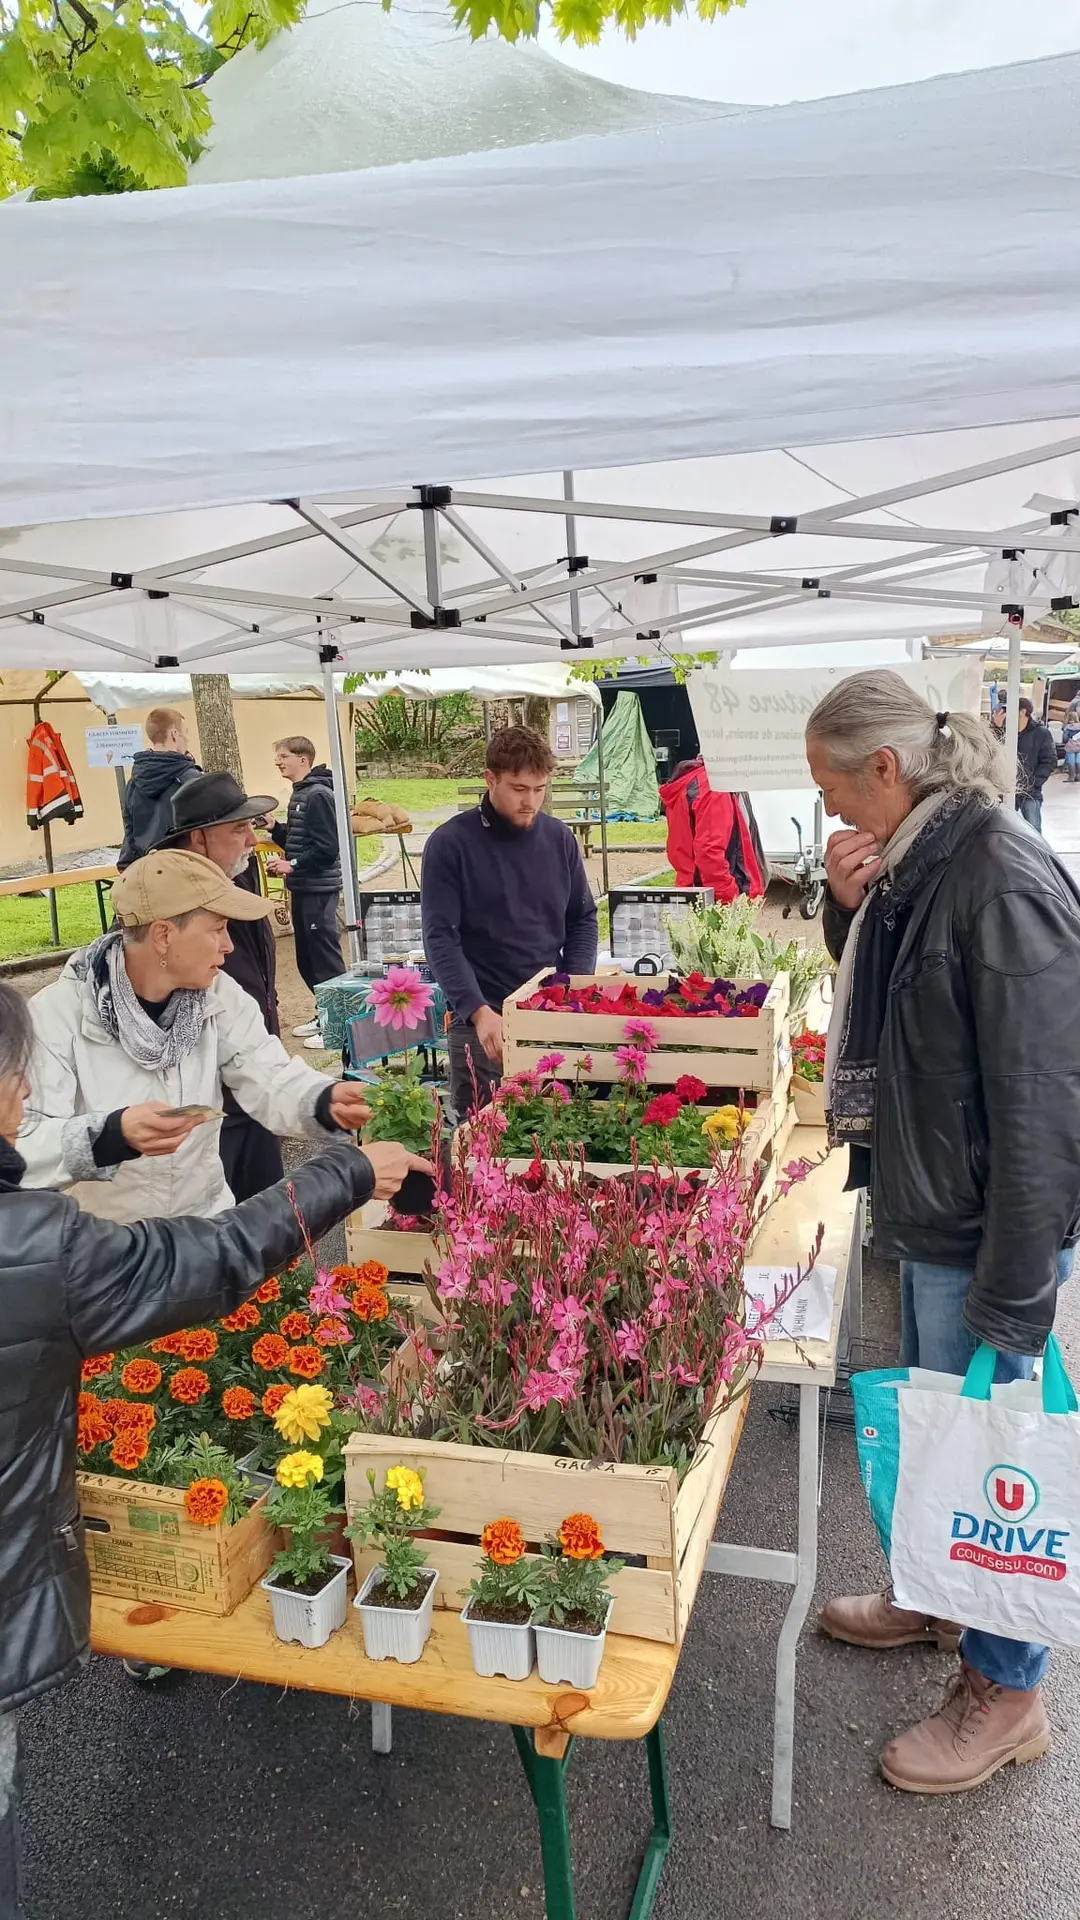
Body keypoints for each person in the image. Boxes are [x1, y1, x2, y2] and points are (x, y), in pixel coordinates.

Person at [0, 981, 430, 1917]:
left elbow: (265, 1075)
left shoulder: (218, 996)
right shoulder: (35, 1245)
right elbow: (209, 1262)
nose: (25, 1097)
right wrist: (347, 1172)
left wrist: (320, 1107)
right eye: (15, 1083)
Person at [804, 669, 1080, 1796]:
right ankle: (931, 1591)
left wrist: (1016, 1289)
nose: (831, 816)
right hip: (940, 1210)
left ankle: (1007, 1692)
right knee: (937, 1428)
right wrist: (842, 905)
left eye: (835, 791)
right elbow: (908, 1008)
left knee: (995, 1453)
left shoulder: (998, 874)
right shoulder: (926, 857)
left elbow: (1044, 1097)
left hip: (984, 1232)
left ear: (886, 768)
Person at [18, 849, 372, 1222]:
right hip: (104, 1247)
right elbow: (22, 1145)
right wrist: (110, 1135)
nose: (229, 945)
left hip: (203, 1232)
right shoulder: (58, 1015)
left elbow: (269, 1076)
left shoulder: (218, 995)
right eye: (217, 929)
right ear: (163, 935)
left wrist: (324, 1100)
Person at [421, 725, 598, 1119]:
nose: (531, 801)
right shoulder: (450, 844)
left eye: (540, 789)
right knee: (485, 1145)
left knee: (558, 1134)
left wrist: (571, 987)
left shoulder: (559, 839)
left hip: (550, 1010)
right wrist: (477, 1010)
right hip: (484, 1019)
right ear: (490, 779)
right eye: (519, 789)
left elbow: (583, 918)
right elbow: (440, 937)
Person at [158, 770, 286, 1200]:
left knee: (271, 1229)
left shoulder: (240, 876)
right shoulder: (162, 900)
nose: (252, 840)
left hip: (254, 1086)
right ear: (199, 840)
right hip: (209, 1110)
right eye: (239, 829)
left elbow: (259, 980)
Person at [265, 736, 345, 1047]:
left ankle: (337, 1028)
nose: (278, 762)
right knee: (307, 960)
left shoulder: (318, 795)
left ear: (303, 759)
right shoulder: (301, 794)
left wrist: (292, 865)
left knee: (324, 959)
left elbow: (327, 849)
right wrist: (274, 828)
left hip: (318, 890)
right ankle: (325, 1014)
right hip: (303, 888)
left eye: (283, 756)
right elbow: (300, 841)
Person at [658, 756, 765, 901]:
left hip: (692, 889)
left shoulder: (696, 779)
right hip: (713, 898)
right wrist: (729, 898)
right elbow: (709, 853)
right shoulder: (713, 786)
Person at [116, 708, 201, 870]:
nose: (188, 738)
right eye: (186, 732)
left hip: (146, 869)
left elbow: (130, 831)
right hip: (185, 870)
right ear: (175, 734)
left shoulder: (133, 782)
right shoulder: (190, 779)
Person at [990, 695, 1056, 831]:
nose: (1007, 713)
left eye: (1011, 709)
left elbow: (1049, 761)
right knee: (1002, 829)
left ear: (1022, 711)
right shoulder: (1005, 730)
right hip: (1006, 789)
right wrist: (996, 727)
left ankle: (1038, 853)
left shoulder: (1041, 733)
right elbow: (991, 750)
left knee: (1034, 830)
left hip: (1030, 791)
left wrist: (1033, 782)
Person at [1062, 707, 1080, 782]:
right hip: (1079, 746)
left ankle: (1071, 777)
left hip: (1070, 747)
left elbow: (1065, 739)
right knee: (1078, 761)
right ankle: (1078, 776)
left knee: (1071, 762)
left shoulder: (1067, 728)